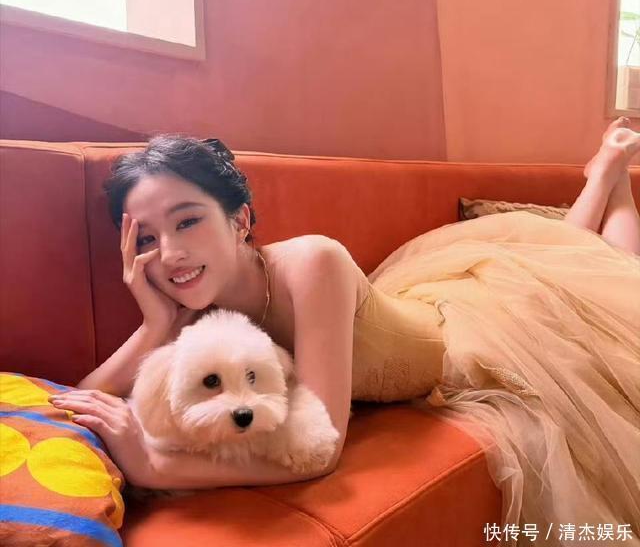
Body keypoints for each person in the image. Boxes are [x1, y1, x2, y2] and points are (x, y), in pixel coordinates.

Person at [48, 118, 640, 542]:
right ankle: (608, 180)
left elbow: (322, 448)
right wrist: (155, 322)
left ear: (240, 219)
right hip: (415, 304)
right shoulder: (195, 311)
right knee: (566, 256)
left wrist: (154, 467)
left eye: (187, 221)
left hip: (468, 338)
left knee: (606, 272)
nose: (171, 253)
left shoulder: (313, 262)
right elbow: (71, 401)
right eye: (147, 239)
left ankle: (611, 176)